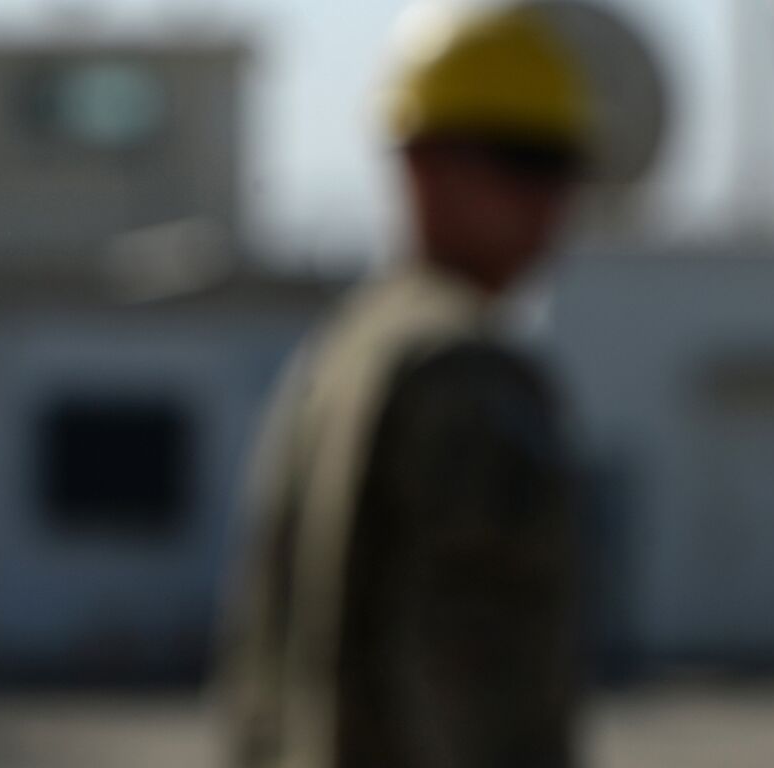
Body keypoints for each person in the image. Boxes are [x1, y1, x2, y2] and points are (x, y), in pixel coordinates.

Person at [220, 3, 664, 766]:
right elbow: (487, 706)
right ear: (424, 162)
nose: (552, 202)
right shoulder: (468, 376)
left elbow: (256, 684)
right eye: (524, 160)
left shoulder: (334, 362)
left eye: (562, 169)